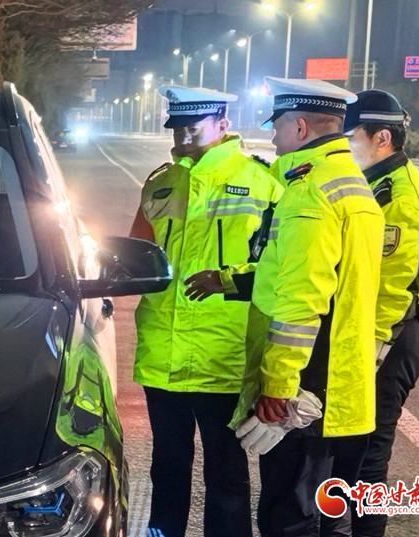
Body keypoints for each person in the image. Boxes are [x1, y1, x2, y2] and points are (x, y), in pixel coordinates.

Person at [185, 77, 385, 537]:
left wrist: (278, 387)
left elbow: (301, 298)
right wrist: (228, 280)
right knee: (324, 514)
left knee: (288, 517)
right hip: (338, 381)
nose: (273, 138)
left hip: (305, 390)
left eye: (276, 127)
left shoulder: (309, 193)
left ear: (299, 128)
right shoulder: (350, 183)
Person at [130, 85, 282, 537]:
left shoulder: (262, 181)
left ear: (222, 124)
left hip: (224, 352)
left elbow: (279, 265)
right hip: (163, 351)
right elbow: (137, 255)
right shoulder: (160, 182)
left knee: (227, 474)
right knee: (166, 466)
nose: (183, 136)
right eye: (176, 128)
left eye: (193, 127)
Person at [324, 89, 419, 537]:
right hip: (380, 335)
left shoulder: (398, 197)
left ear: (382, 138)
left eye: (351, 136)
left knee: (369, 461)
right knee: (348, 455)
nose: (345, 145)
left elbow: (393, 286)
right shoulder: (378, 181)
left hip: (390, 340)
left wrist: (370, 348)